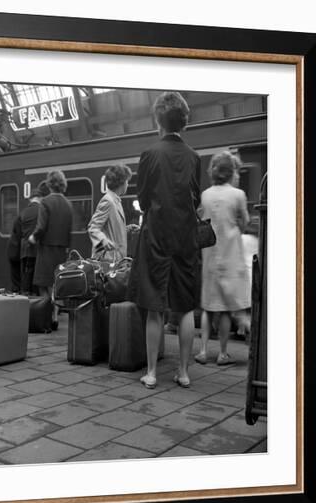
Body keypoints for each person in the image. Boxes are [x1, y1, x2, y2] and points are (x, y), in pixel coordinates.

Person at [128, 91, 201, 390]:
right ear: (184, 122)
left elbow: (143, 198)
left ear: (158, 120)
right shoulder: (195, 157)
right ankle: (183, 372)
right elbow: (195, 200)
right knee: (184, 307)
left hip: (156, 235)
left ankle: (152, 373)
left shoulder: (149, 154)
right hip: (185, 237)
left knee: (155, 305)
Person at [195, 151, 250, 366]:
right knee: (226, 308)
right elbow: (244, 222)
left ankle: (202, 350)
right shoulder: (238, 195)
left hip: (209, 254)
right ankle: (223, 353)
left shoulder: (205, 195)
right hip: (230, 254)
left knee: (209, 306)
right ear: (231, 172)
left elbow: (201, 220)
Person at [28, 170, 73, 329]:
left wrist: (33, 237)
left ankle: (45, 317)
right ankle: (54, 316)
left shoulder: (45, 202)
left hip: (46, 248)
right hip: (61, 250)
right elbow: (69, 231)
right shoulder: (68, 204)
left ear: (49, 184)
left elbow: (41, 227)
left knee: (42, 283)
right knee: (56, 284)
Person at [88, 164, 132, 261]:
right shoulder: (108, 201)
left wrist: (127, 229)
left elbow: (111, 228)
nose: (127, 184)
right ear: (121, 182)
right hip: (108, 260)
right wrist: (103, 240)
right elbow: (93, 227)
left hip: (115, 258)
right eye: (127, 181)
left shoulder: (116, 201)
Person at [19, 181, 51, 294]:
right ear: (40, 198)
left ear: (31, 199)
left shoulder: (23, 212)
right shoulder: (41, 211)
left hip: (24, 249)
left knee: (26, 275)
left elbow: (20, 232)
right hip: (36, 249)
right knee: (36, 278)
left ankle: (26, 298)